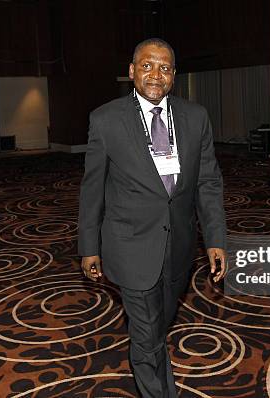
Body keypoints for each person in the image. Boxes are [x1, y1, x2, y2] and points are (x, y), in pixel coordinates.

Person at [78, 37, 227, 398]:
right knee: (147, 333)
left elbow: (208, 183)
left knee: (157, 324)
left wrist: (216, 240)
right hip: (129, 245)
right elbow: (92, 189)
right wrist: (88, 246)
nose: (155, 74)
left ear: (173, 76)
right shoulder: (106, 120)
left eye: (164, 67)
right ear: (132, 72)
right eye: (147, 65)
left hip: (178, 246)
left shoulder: (196, 117)